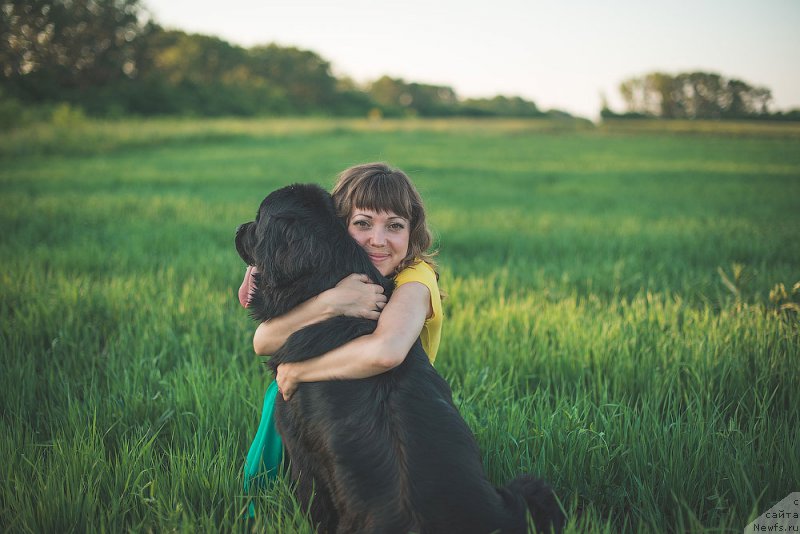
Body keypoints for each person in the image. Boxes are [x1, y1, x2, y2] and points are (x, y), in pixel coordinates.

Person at [241, 162, 443, 503]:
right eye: (362, 223)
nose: (377, 240)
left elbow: (387, 352)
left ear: (412, 232)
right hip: (334, 406)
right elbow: (262, 341)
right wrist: (331, 302)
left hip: (392, 413)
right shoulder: (339, 276)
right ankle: (263, 499)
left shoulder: (416, 280)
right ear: (339, 226)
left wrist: (299, 371)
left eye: (394, 226)